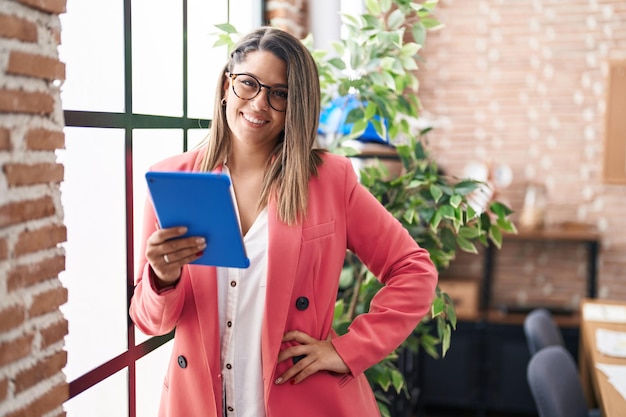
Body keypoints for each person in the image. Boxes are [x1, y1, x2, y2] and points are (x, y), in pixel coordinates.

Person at [129, 27, 438, 417]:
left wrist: (348, 349)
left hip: (306, 402)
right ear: (227, 86)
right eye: (248, 84)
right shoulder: (174, 179)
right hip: (198, 404)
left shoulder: (329, 180)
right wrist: (163, 277)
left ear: (297, 105)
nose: (259, 104)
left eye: (280, 93)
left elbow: (414, 269)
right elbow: (150, 321)